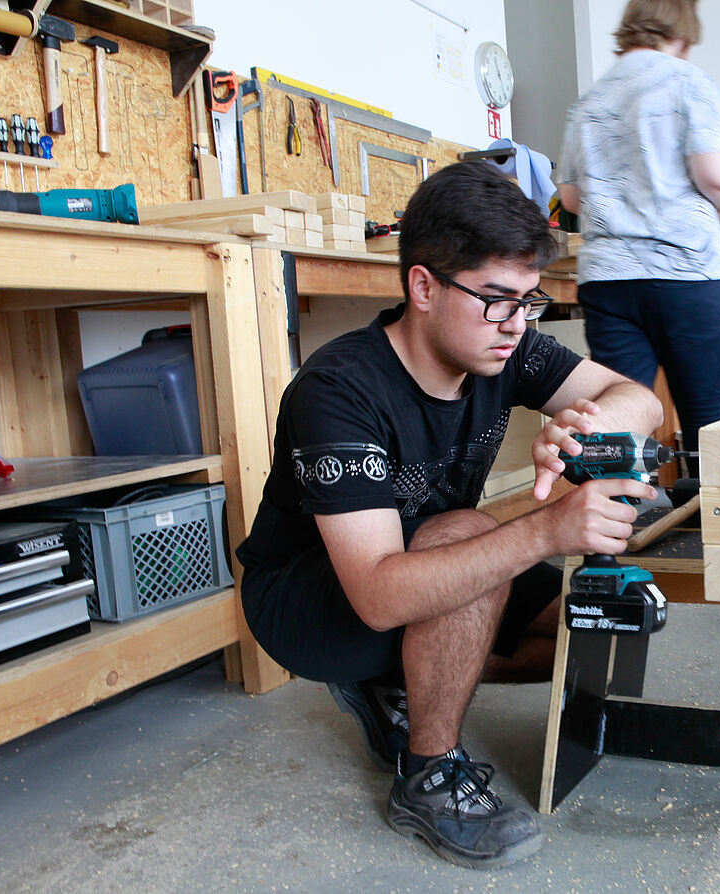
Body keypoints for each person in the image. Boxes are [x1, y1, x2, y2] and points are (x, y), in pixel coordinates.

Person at [235, 162, 663, 870]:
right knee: (473, 534)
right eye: (498, 300)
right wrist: (549, 530)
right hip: (314, 599)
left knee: (590, 627)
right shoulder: (338, 391)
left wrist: (587, 426)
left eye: (529, 302)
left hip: (421, 563)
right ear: (424, 286)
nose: (516, 324)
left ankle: (405, 683)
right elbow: (377, 595)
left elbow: (636, 398)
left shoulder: (506, 347)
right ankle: (427, 776)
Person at [557, 0, 720, 464]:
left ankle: (615, 527)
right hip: (686, 273)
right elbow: (716, 175)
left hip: (608, 281)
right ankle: (712, 520)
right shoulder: (687, 81)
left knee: (621, 416)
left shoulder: (589, 101)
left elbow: (573, 198)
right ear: (682, 31)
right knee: (706, 414)